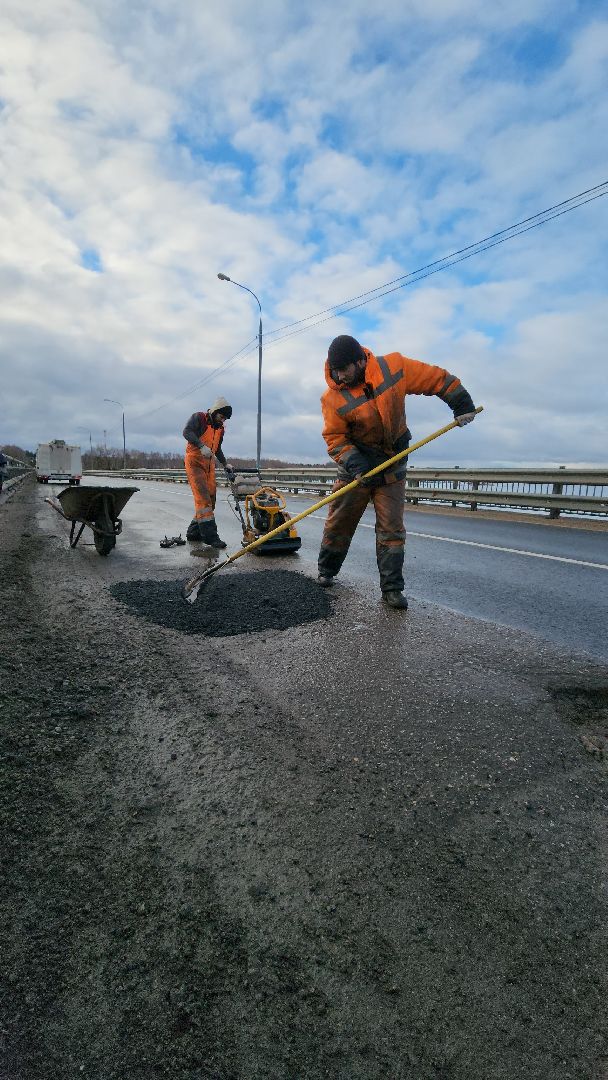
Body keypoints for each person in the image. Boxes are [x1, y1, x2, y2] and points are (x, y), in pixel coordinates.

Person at [318, 335, 477, 609]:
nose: (341, 376)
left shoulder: (393, 367)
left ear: (360, 361)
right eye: (336, 371)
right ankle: (326, 571)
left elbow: (434, 378)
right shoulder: (332, 398)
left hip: (392, 462)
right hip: (356, 468)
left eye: (345, 369)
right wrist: (356, 465)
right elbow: (335, 438)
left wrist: (460, 402)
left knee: (391, 528)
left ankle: (391, 589)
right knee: (339, 521)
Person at [182, 397, 235, 547]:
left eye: (225, 419)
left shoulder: (220, 429)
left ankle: (193, 532)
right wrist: (200, 445)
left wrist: (225, 464)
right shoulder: (199, 418)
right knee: (203, 499)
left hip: (209, 463)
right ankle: (211, 537)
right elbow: (186, 432)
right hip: (195, 461)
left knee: (211, 500)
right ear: (215, 411)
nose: (222, 421)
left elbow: (217, 449)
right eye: (221, 417)